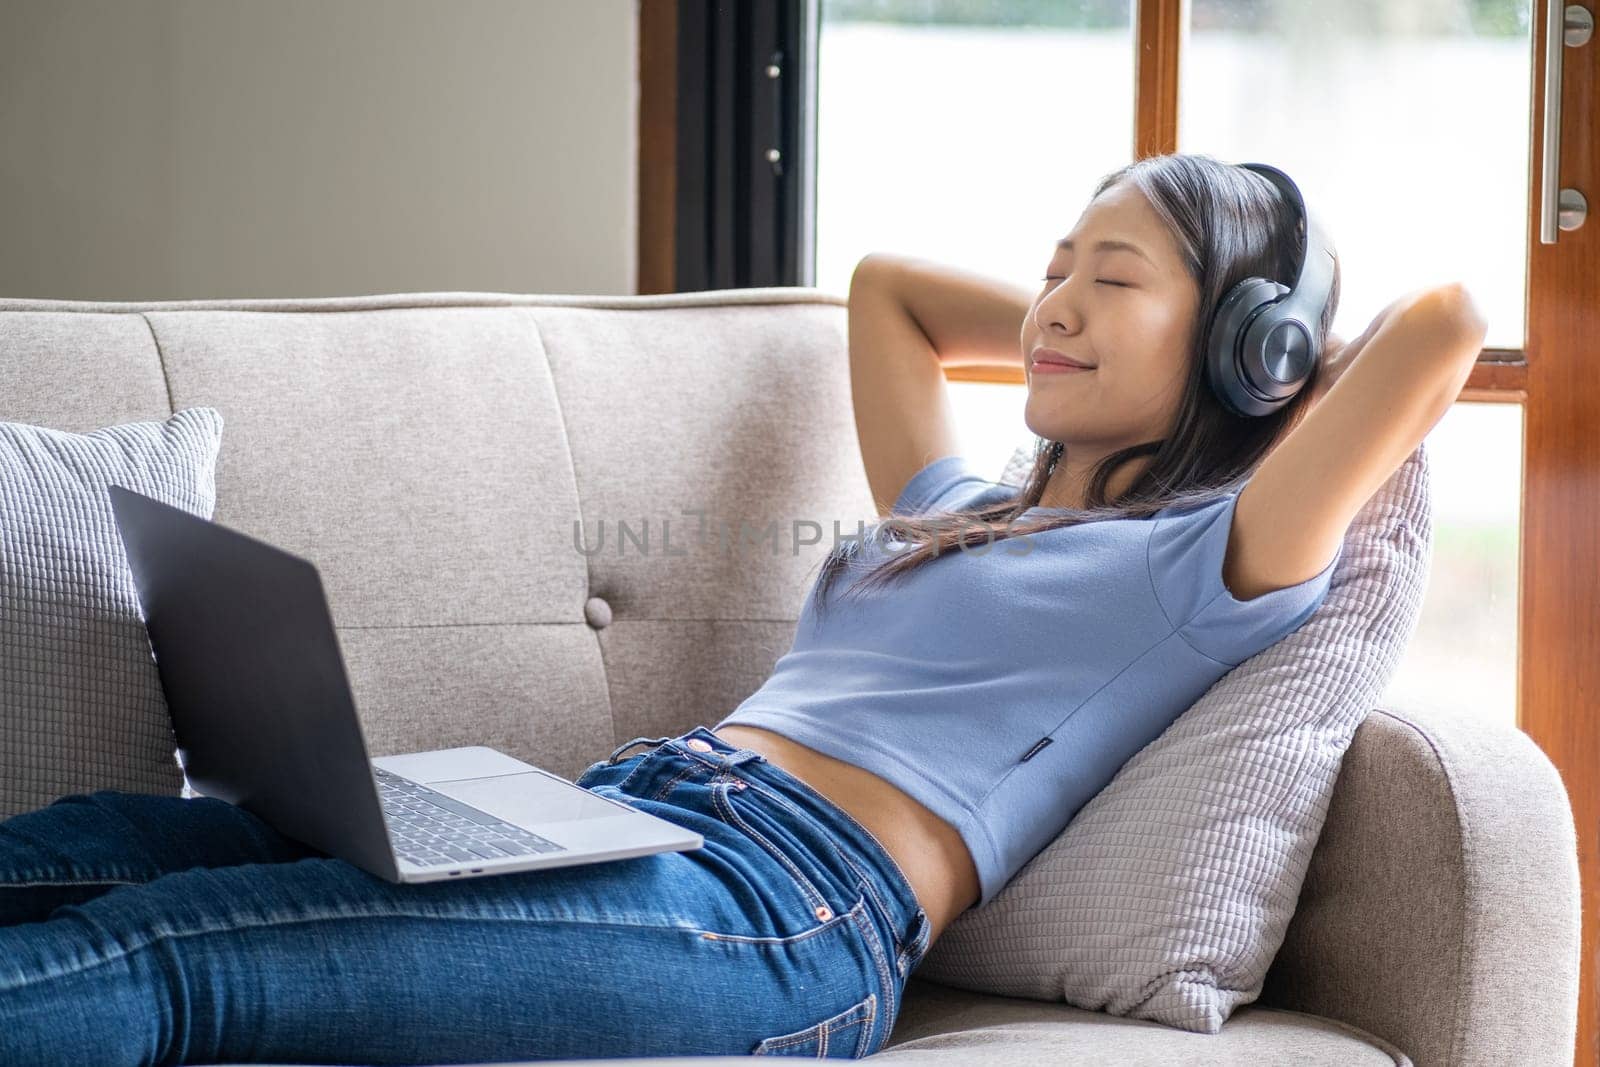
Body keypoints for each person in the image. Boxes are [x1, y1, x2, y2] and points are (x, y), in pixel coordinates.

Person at [0, 153, 1487, 1065]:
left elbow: (1446, 329)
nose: (1051, 307)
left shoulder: (1205, 565)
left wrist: (1271, 348)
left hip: (779, 912)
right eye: (1050, 273)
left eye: (1113, 279)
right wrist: (1083, 307)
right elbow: (887, 290)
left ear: (1250, 346)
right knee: (122, 848)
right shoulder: (955, 513)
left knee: (182, 958)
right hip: (623, 806)